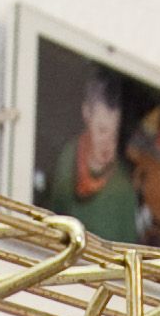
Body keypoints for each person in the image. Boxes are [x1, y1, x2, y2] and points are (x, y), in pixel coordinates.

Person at [46, 69, 148, 245]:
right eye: (102, 130)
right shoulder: (68, 156)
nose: (107, 145)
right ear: (87, 113)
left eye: (114, 134)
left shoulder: (123, 190)